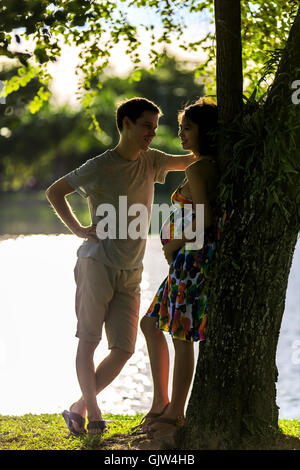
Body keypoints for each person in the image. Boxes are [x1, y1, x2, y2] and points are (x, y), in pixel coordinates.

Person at [45, 97, 196, 435]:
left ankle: (77, 407)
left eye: (155, 128)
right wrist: (80, 230)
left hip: (132, 270)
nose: (152, 134)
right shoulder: (100, 165)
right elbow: (56, 192)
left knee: (124, 349)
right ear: (126, 124)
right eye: (146, 126)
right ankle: (94, 414)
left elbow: (189, 159)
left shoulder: (152, 161)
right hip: (96, 263)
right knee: (88, 341)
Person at [133, 97, 222, 436]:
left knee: (182, 337)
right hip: (185, 261)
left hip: (192, 260)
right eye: (181, 127)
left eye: (188, 128)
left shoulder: (199, 169)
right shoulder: (205, 164)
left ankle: (175, 413)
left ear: (206, 132)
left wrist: (173, 244)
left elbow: (203, 219)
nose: (181, 134)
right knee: (151, 323)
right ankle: (162, 402)